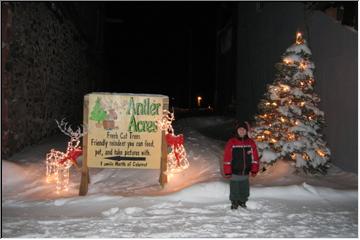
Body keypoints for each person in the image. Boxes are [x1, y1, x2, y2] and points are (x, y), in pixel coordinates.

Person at [223, 121, 259, 209]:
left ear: (246, 131)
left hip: (246, 171)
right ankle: (234, 202)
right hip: (234, 171)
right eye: (240, 129)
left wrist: (254, 169)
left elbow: (255, 158)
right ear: (237, 131)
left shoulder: (250, 142)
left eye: (244, 129)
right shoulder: (232, 142)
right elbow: (227, 158)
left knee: (245, 188)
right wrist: (227, 171)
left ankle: (242, 201)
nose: (242, 131)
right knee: (234, 189)